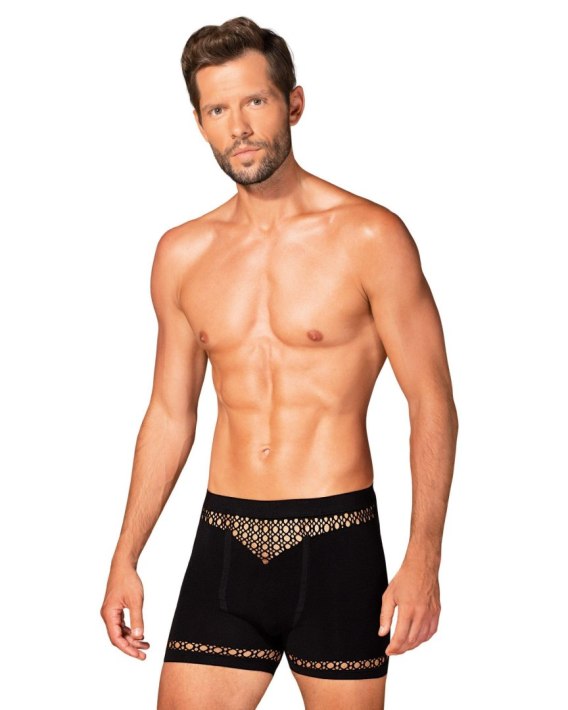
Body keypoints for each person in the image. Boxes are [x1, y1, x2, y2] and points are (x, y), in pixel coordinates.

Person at [100, 15, 458, 710]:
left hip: (338, 544)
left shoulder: (369, 236)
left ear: (293, 104)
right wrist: (126, 554)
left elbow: (431, 400)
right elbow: (170, 414)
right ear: (199, 122)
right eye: (217, 110)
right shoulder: (182, 254)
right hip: (224, 542)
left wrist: (425, 557)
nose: (238, 127)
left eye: (255, 101)